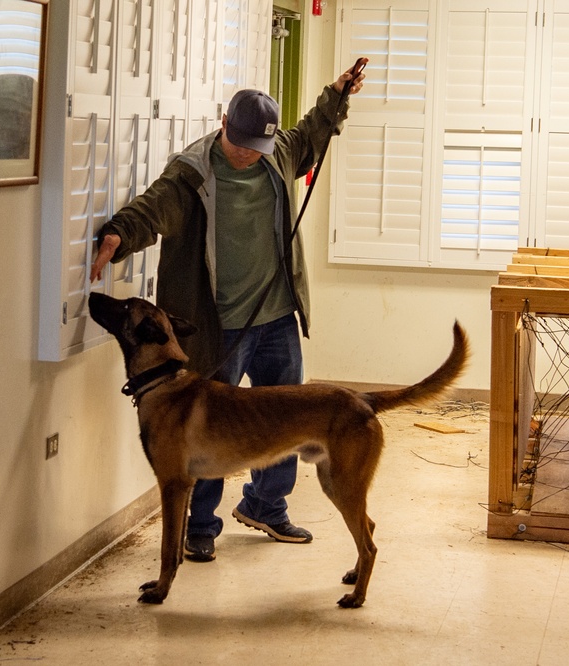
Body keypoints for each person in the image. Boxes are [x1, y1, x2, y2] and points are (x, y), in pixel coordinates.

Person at [90, 66, 365, 563]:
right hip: (219, 321)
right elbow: (152, 209)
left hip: (276, 312)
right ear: (223, 125)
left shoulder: (277, 152)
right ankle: (201, 526)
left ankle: (266, 506)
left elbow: (311, 132)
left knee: (285, 419)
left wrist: (338, 95)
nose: (248, 156)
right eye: (240, 146)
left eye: (257, 148)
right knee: (211, 431)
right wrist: (119, 234)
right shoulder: (191, 174)